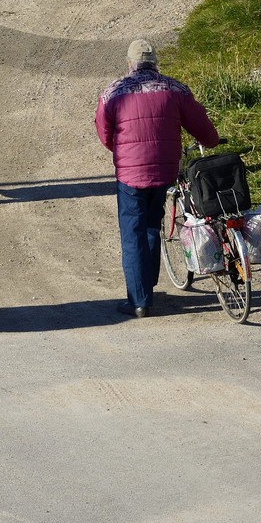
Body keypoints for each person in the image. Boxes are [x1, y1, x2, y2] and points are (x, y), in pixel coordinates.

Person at [95, 38, 219, 318]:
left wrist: (122, 151)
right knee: (152, 224)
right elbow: (201, 126)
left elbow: (104, 133)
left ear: (130, 64)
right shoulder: (174, 89)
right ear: (155, 64)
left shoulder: (113, 92)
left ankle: (139, 301)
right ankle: (147, 284)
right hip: (165, 172)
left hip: (130, 174)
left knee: (132, 234)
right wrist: (211, 142)